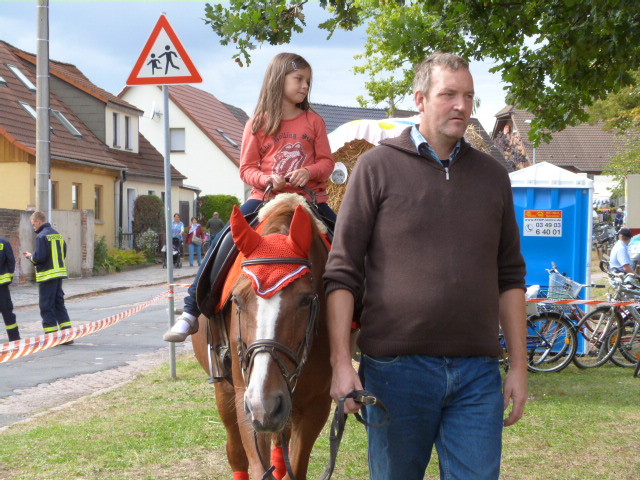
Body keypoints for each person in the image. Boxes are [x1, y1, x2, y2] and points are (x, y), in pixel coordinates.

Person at [323, 52, 528, 480]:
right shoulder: (376, 167)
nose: (461, 105)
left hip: (477, 374)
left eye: (468, 96)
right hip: (396, 372)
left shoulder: (493, 176)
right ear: (420, 99)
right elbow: (341, 273)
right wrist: (342, 363)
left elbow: (510, 278)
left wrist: (521, 368)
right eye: (448, 94)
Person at [164, 52, 336, 343]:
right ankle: (191, 311)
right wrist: (267, 179)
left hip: (310, 201)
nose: (305, 86)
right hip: (265, 199)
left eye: (308, 81)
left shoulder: (314, 121)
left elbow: (327, 163)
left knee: (350, 240)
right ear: (278, 79)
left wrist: (309, 172)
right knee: (223, 241)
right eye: (298, 79)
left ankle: (369, 315)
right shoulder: (257, 123)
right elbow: (246, 169)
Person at [23, 211, 73, 343]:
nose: (34, 227)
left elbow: (39, 258)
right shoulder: (58, 235)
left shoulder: (41, 237)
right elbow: (64, 252)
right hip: (59, 274)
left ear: (38, 221)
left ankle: (51, 337)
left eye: (33, 224)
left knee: (46, 305)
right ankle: (67, 336)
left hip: (47, 276)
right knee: (59, 304)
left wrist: (30, 257)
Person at [0, 237, 20, 342]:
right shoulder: (4, 243)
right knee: (7, 312)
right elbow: (11, 261)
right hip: (2, 286)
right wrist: (9, 278)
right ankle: (14, 337)